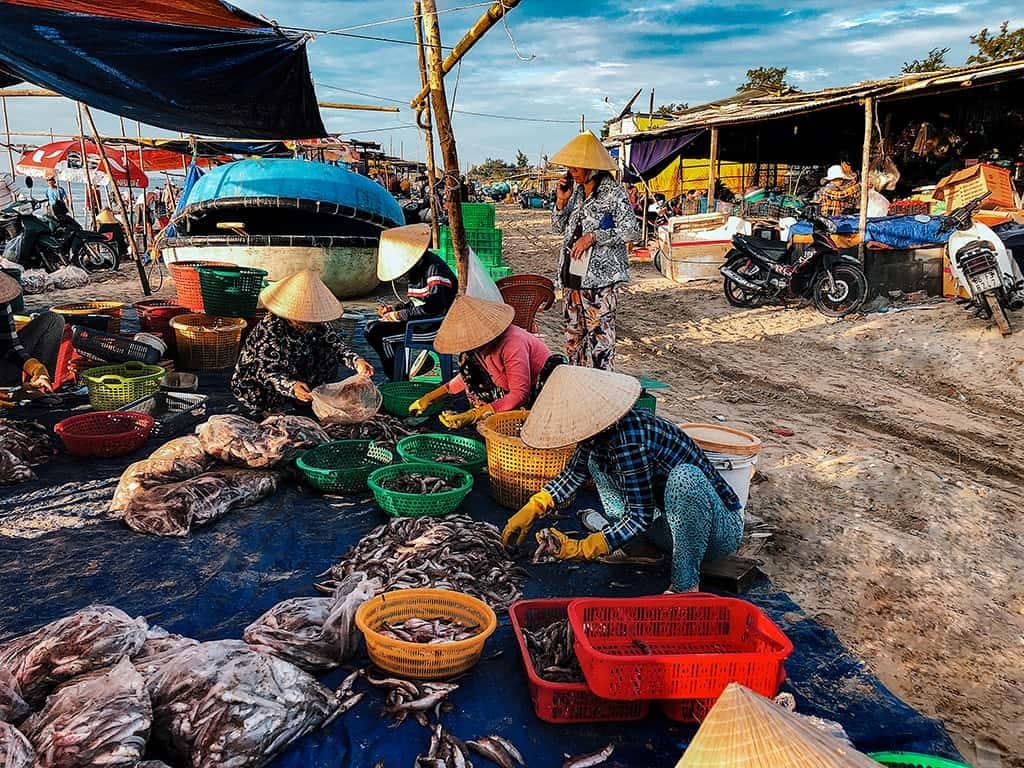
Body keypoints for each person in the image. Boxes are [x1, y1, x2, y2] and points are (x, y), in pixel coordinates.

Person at [501, 366, 744, 594]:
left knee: (685, 479)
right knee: (595, 461)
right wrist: (536, 505)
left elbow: (639, 516)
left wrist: (585, 547)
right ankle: (638, 548)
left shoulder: (628, 440)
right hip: (667, 524)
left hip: (716, 533)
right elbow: (575, 472)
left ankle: (685, 585)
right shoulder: (598, 433)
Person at [550, 131, 640, 371]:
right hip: (571, 279)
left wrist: (594, 237)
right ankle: (577, 387)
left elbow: (632, 231)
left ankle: (603, 390)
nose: (571, 171)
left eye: (576, 168)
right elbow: (558, 227)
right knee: (573, 342)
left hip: (599, 282)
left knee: (601, 343)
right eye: (570, 167)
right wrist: (561, 201)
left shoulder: (614, 192)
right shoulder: (577, 192)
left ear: (592, 167)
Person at [407, 295, 566, 428]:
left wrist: (475, 415)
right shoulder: (478, 348)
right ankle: (487, 412)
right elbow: (468, 376)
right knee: (465, 360)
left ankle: (499, 419)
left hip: (538, 396)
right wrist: (432, 397)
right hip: (503, 387)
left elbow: (520, 393)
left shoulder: (512, 343)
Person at [231, 269, 374, 414]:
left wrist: (356, 361)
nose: (308, 322)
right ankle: (277, 404)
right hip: (260, 385)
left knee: (326, 353)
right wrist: (291, 387)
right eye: (303, 318)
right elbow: (267, 372)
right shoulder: (271, 328)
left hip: (298, 373)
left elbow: (336, 346)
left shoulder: (318, 324)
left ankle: (307, 395)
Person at [365, 223, 458, 380]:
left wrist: (399, 315)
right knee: (371, 328)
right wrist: (394, 309)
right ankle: (398, 370)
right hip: (422, 322)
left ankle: (396, 378)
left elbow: (433, 307)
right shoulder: (417, 270)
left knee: (378, 334)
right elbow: (416, 302)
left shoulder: (433, 269)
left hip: (436, 327)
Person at [0, 273, 60, 404]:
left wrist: (37, 369)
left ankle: (36, 386)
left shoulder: (2, 304)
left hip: (4, 369)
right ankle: (14, 392)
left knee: (53, 320)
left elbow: (10, 347)